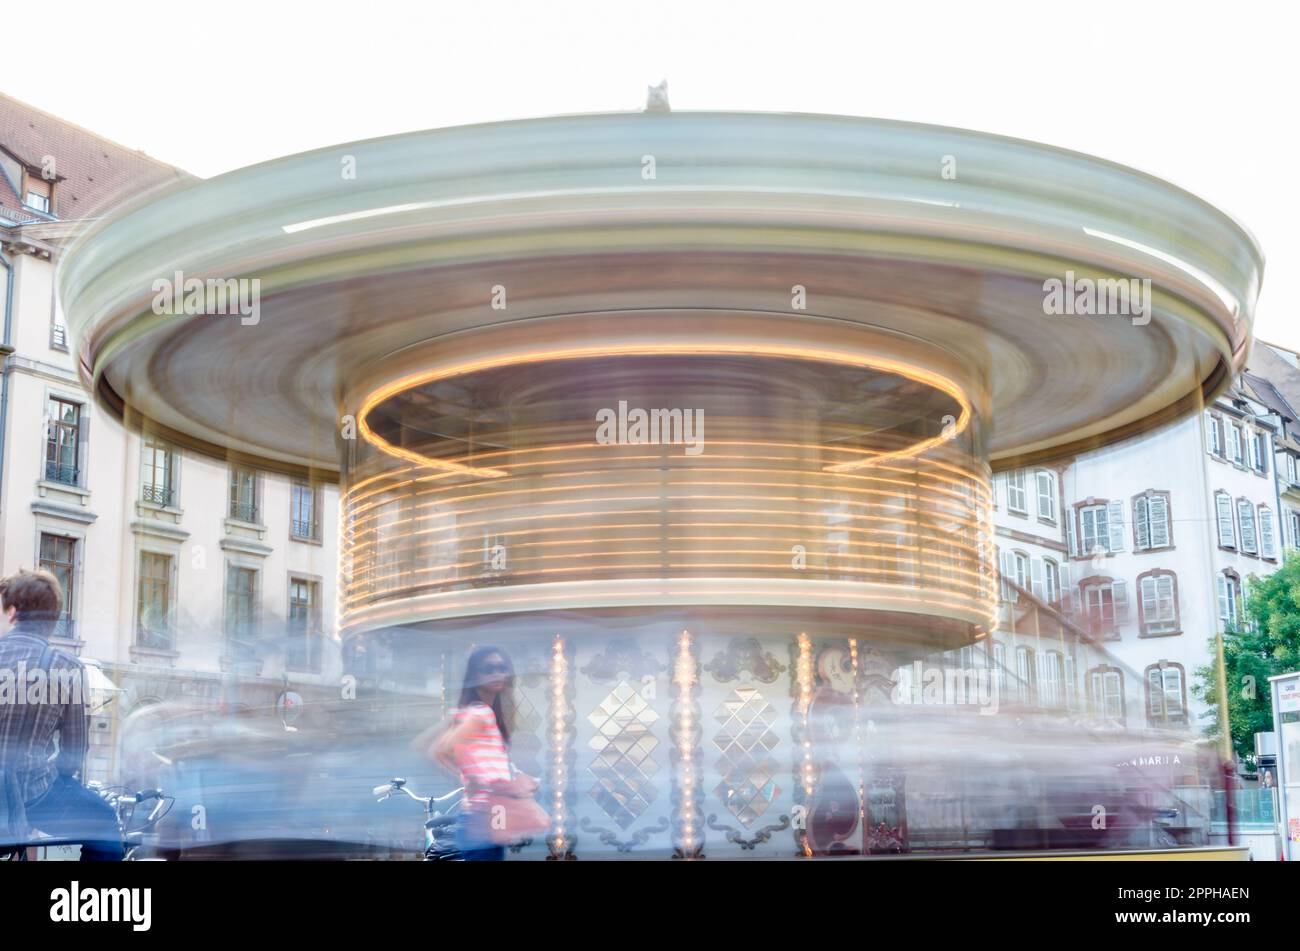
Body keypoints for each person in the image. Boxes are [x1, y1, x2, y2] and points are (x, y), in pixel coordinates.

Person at [0, 570, 123, 860]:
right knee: (105, 824)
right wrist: (60, 777)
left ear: (13, 612)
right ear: (54, 618)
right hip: (34, 796)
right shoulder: (67, 668)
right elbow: (74, 752)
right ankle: (82, 904)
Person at [432, 646, 537, 861]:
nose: (497, 673)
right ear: (475, 675)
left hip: (485, 818)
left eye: (502, 668)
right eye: (489, 669)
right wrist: (472, 781)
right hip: (480, 820)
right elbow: (440, 750)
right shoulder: (481, 713)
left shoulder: (478, 711)